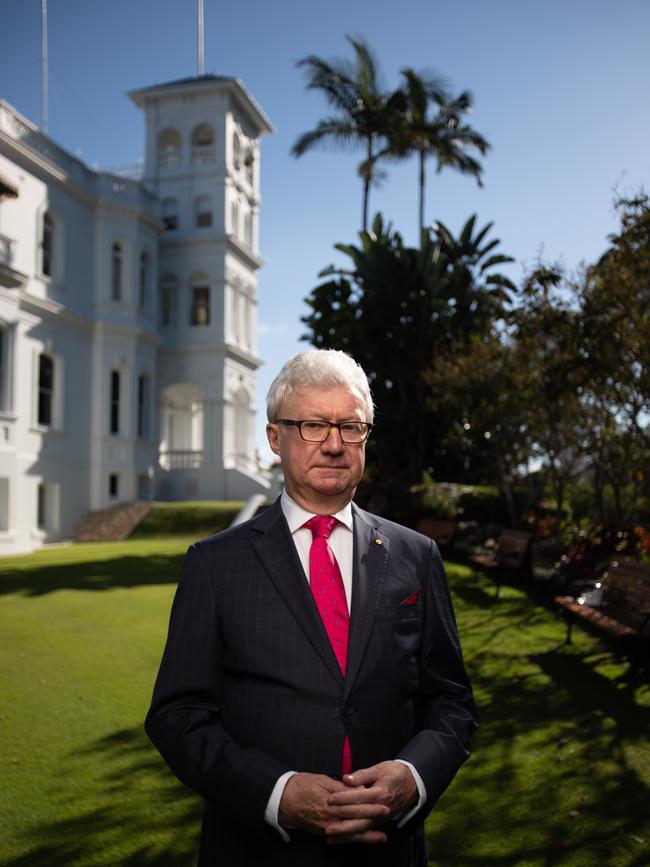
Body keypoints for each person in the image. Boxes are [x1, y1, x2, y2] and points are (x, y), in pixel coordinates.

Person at [145, 349, 478, 866]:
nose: (333, 444)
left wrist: (412, 778)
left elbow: (452, 702)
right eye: (312, 425)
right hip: (257, 851)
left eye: (350, 426)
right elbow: (178, 716)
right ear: (275, 437)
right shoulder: (213, 564)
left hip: (389, 852)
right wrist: (276, 793)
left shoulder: (417, 555)